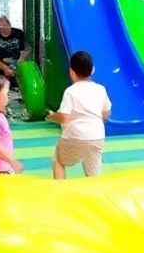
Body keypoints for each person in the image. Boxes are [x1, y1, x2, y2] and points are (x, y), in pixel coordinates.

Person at [46, 50, 111, 179]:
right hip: (96, 136)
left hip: (75, 135)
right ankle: (93, 192)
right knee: (93, 172)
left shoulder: (71, 91)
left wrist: (52, 116)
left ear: (71, 72)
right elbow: (106, 113)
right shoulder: (100, 89)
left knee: (58, 160)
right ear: (92, 70)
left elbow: (64, 117)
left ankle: (60, 190)